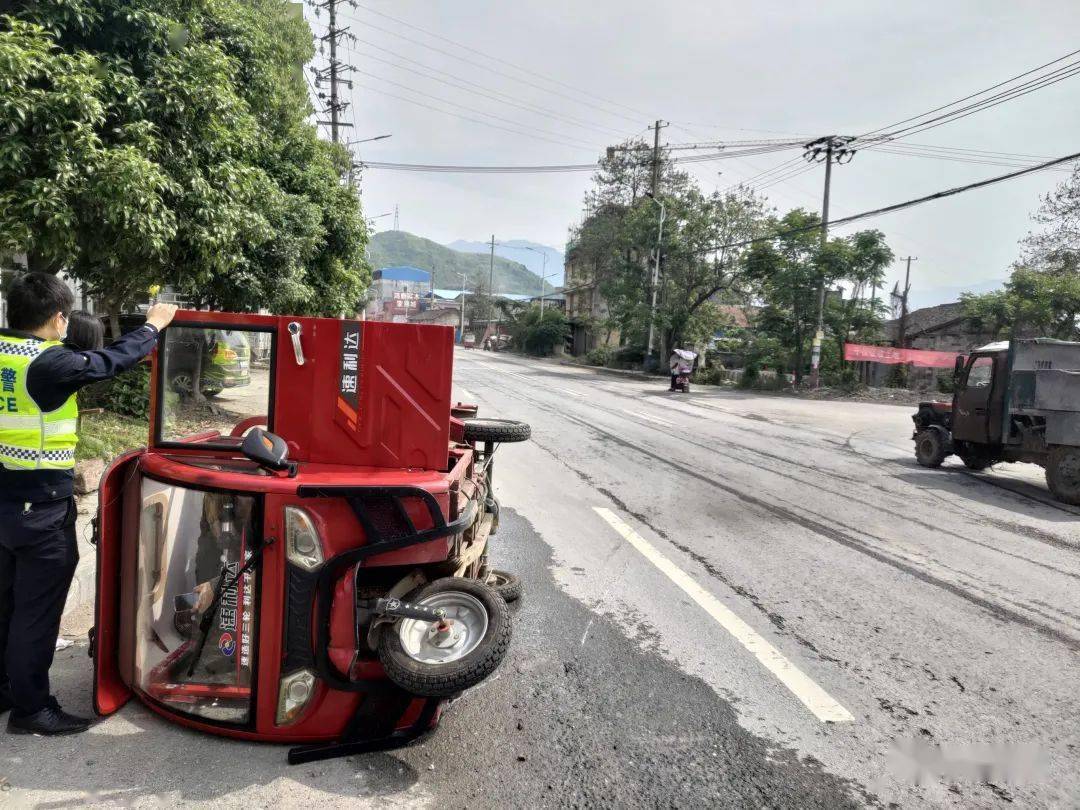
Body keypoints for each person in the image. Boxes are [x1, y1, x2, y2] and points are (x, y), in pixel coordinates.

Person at [0, 273, 177, 735]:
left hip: (3, 506)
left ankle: (4, 690)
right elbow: (109, 360)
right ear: (58, 318)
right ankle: (32, 709)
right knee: (34, 615)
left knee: (4, 604)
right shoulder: (46, 363)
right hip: (38, 510)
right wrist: (153, 327)